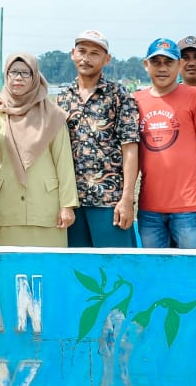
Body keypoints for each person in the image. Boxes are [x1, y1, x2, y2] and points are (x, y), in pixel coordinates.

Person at [122, 38, 196, 249]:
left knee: (193, 272)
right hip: (150, 210)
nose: (162, 68)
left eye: (168, 62)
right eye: (156, 62)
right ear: (146, 65)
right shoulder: (135, 101)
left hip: (190, 208)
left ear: (179, 65)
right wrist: (127, 198)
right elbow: (132, 154)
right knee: (156, 274)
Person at [0, 54, 77, 247]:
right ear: (6, 76)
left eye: (25, 73)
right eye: (13, 72)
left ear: (35, 78)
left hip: (48, 209)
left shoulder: (52, 115)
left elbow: (63, 162)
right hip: (8, 206)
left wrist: (67, 206)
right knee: (12, 271)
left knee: (49, 269)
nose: (18, 78)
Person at [55, 31, 140, 248]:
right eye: (82, 51)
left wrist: (127, 199)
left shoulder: (119, 95)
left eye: (95, 53)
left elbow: (130, 148)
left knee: (116, 272)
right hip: (72, 202)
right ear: (72, 54)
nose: (86, 58)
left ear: (106, 59)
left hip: (109, 201)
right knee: (78, 271)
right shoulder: (62, 98)